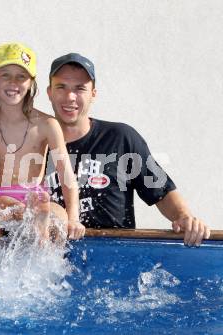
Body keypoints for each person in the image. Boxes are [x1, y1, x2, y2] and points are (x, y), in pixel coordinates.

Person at [46, 52, 211, 246]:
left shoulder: (120, 138)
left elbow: (161, 191)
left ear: (93, 94)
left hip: (116, 261)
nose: (70, 97)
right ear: (49, 92)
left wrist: (184, 218)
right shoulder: (33, 141)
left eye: (80, 88)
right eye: (61, 87)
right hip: (49, 262)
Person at [0, 42, 85, 242]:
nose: (13, 82)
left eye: (21, 76)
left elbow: (66, 175)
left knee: (58, 218)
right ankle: (17, 232)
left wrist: (74, 218)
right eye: (5, 74)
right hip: (1, 198)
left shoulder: (46, 125)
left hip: (37, 197)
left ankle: (44, 254)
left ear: (31, 82)